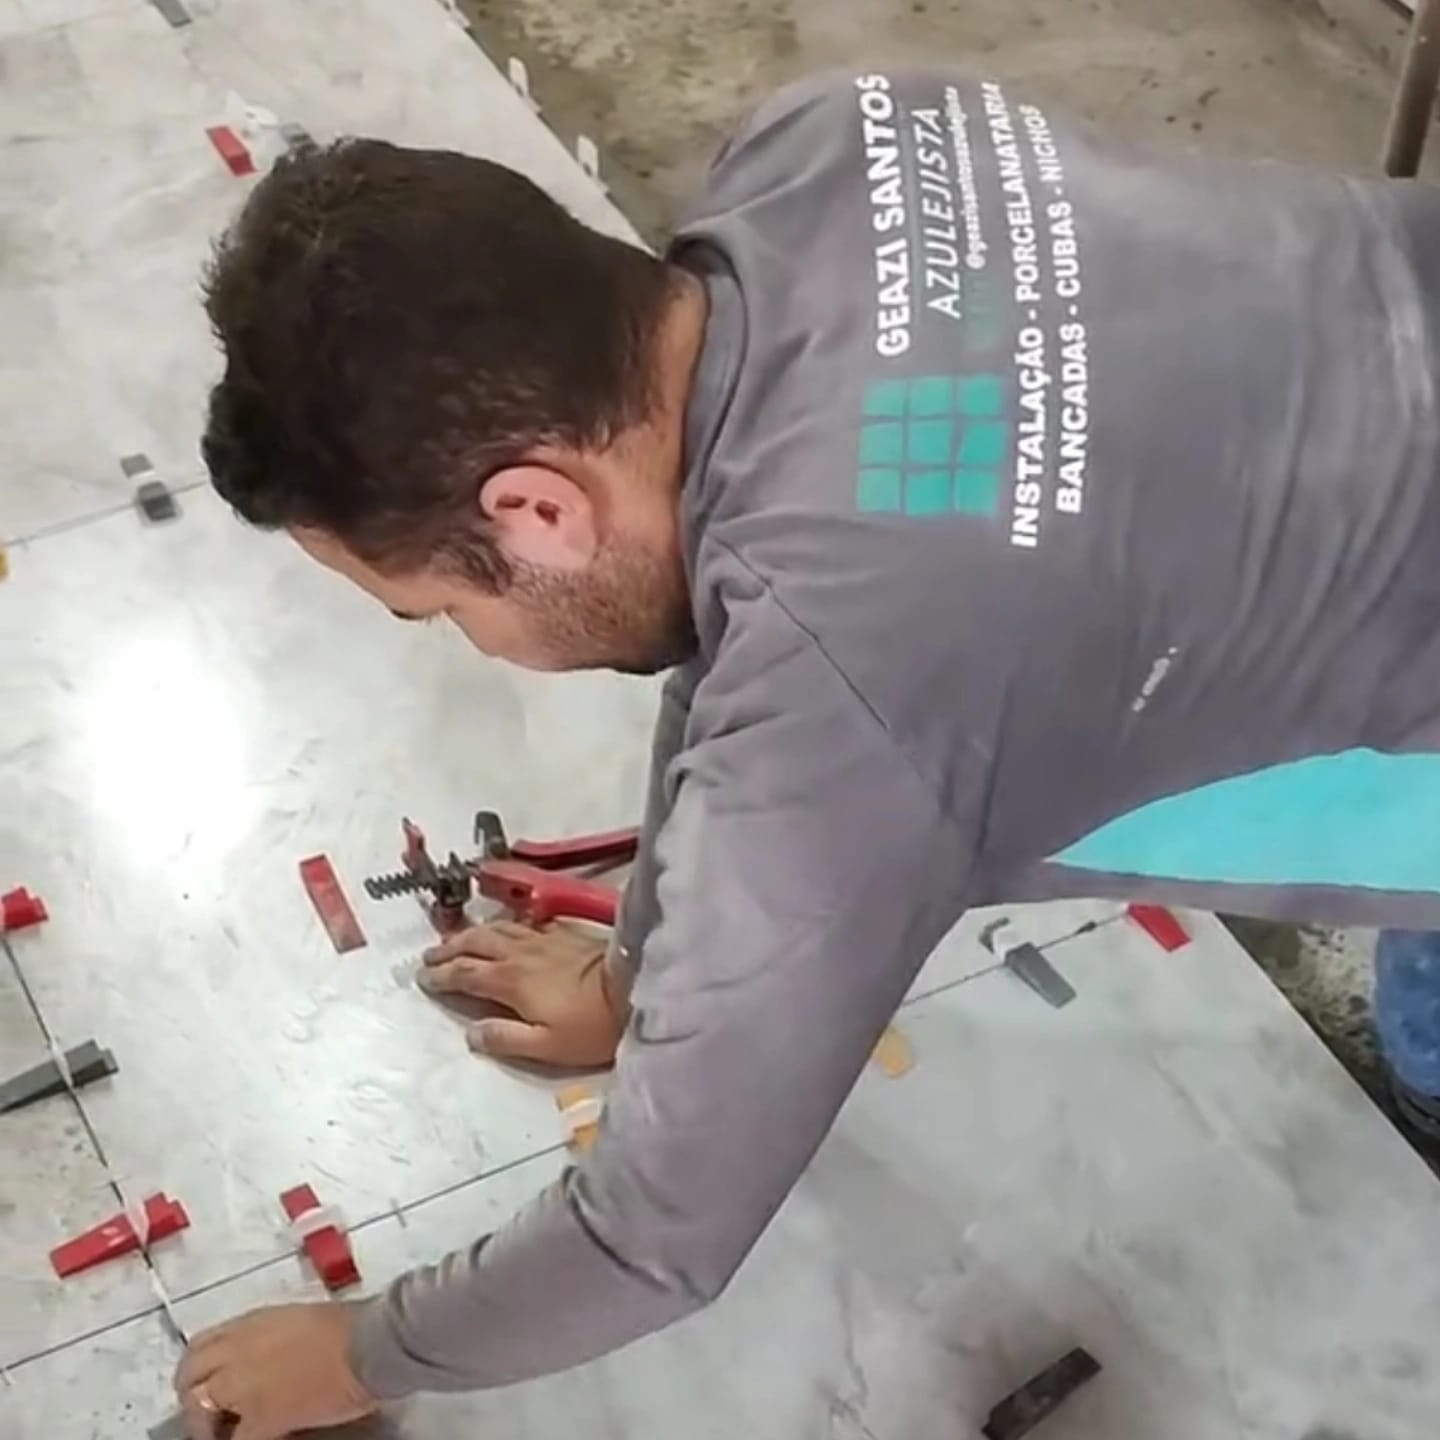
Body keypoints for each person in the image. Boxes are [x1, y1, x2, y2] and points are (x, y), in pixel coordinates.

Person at [177, 66, 1440, 1438]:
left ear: (536, 510)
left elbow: (650, 1241)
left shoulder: (849, 709)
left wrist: (363, 1352)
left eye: (439, 610)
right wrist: (637, 977)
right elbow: (744, 616)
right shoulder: (824, 139)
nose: (476, 646)